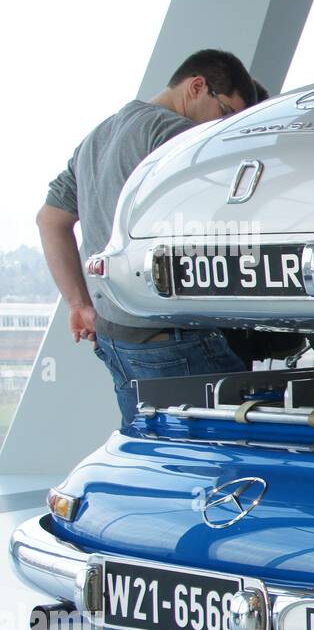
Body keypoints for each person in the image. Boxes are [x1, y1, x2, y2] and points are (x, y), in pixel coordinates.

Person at [35, 49, 257, 428]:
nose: (226, 127)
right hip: (172, 336)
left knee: (149, 456)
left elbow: (50, 219)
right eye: (226, 113)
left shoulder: (99, 135)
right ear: (197, 86)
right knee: (226, 460)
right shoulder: (178, 135)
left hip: (114, 335)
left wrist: (78, 304)